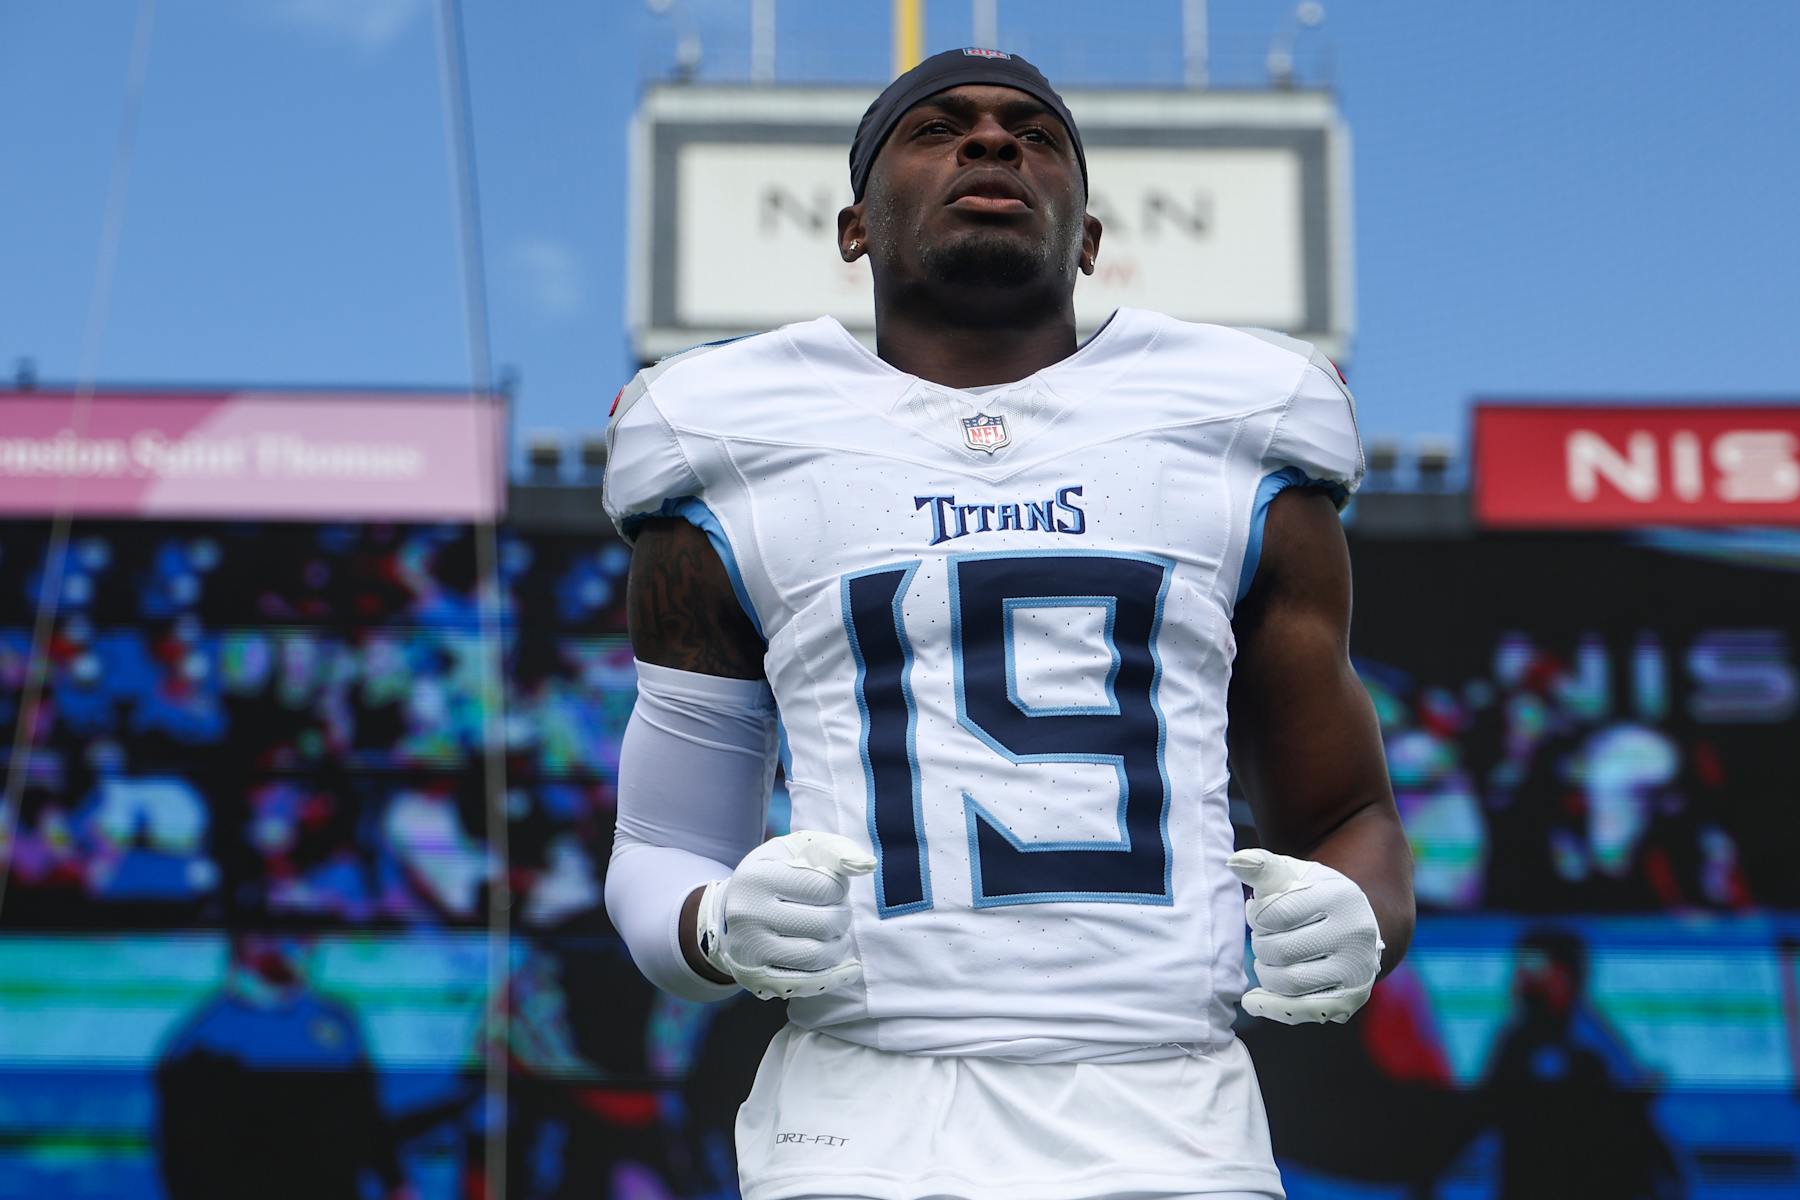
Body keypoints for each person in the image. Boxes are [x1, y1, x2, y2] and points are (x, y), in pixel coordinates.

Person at [603, 47, 1415, 1200]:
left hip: (1171, 1112)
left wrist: (1364, 919)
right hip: (859, 1119)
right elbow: (662, 848)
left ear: (1088, 241)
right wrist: (712, 926)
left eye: (1035, 135)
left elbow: (1348, 815)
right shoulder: (730, 450)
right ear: (853, 229)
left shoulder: (1238, 441)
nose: (993, 143)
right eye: (938, 128)